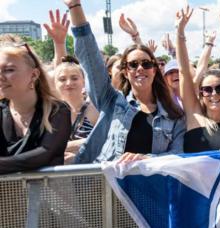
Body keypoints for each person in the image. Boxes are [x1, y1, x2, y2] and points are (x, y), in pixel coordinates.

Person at [65, 0, 185, 163]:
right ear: (125, 72)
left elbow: (179, 155)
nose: (140, 68)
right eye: (133, 65)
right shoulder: (112, 101)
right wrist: (75, 7)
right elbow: (90, 58)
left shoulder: (173, 114)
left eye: (146, 64)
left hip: (150, 186)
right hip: (109, 186)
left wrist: (146, 160)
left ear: (154, 70)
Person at [175, 6, 220, 158]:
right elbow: (183, 71)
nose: (214, 94)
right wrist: (180, 31)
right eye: (207, 89)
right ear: (201, 94)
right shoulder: (193, 116)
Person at [0, 37, 70, 173]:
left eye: (9, 70)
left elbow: (43, 155)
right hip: (9, 194)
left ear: (34, 75)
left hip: (48, 193)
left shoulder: (57, 111)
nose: (1, 76)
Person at [54, 56, 98, 163]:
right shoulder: (49, 112)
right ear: (55, 84)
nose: (69, 83)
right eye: (62, 79)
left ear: (83, 81)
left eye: (74, 78)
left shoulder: (94, 109)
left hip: (90, 174)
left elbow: (102, 141)